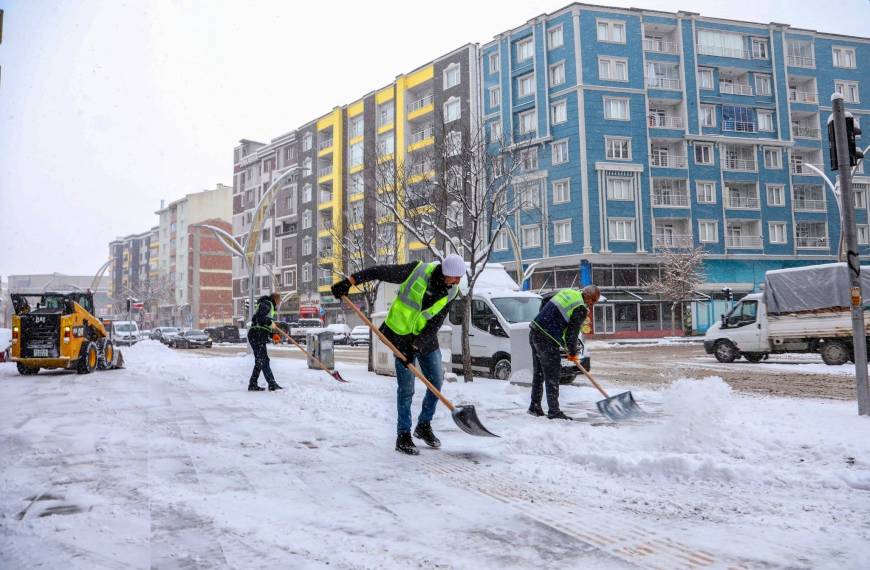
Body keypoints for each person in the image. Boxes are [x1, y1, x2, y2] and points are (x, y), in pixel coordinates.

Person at [331, 254, 464, 455]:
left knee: (436, 380)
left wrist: (417, 346)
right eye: (455, 277)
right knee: (406, 389)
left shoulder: (452, 291)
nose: (458, 281)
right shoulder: (417, 271)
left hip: (424, 339)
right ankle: (403, 436)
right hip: (399, 336)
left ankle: (424, 425)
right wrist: (351, 281)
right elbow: (380, 271)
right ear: (445, 273)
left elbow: (435, 322)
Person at [528, 285, 600, 420]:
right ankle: (554, 412)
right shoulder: (580, 308)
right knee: (553, 375)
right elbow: (572, 334)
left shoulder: (568, 292)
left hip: (535, 331)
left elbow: (545, 300)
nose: (592, 305)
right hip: (547, 339)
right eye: (593, 302)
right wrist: (572, 353)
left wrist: (546, 320)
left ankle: (535, 407)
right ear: (589, 297)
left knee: (539, 373)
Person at [247, 292, 284, 392]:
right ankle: (271, 383)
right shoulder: (267, 304)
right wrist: (269, 322)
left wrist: (273, 335)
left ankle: (254, 384)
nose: (279, 303)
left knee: (261, 360)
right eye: (279, 300)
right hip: (257, 334)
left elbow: (264, 323)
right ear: (275, 299)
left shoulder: (268, 305)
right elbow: (259, 317)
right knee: (262, 360)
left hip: (258, 334)